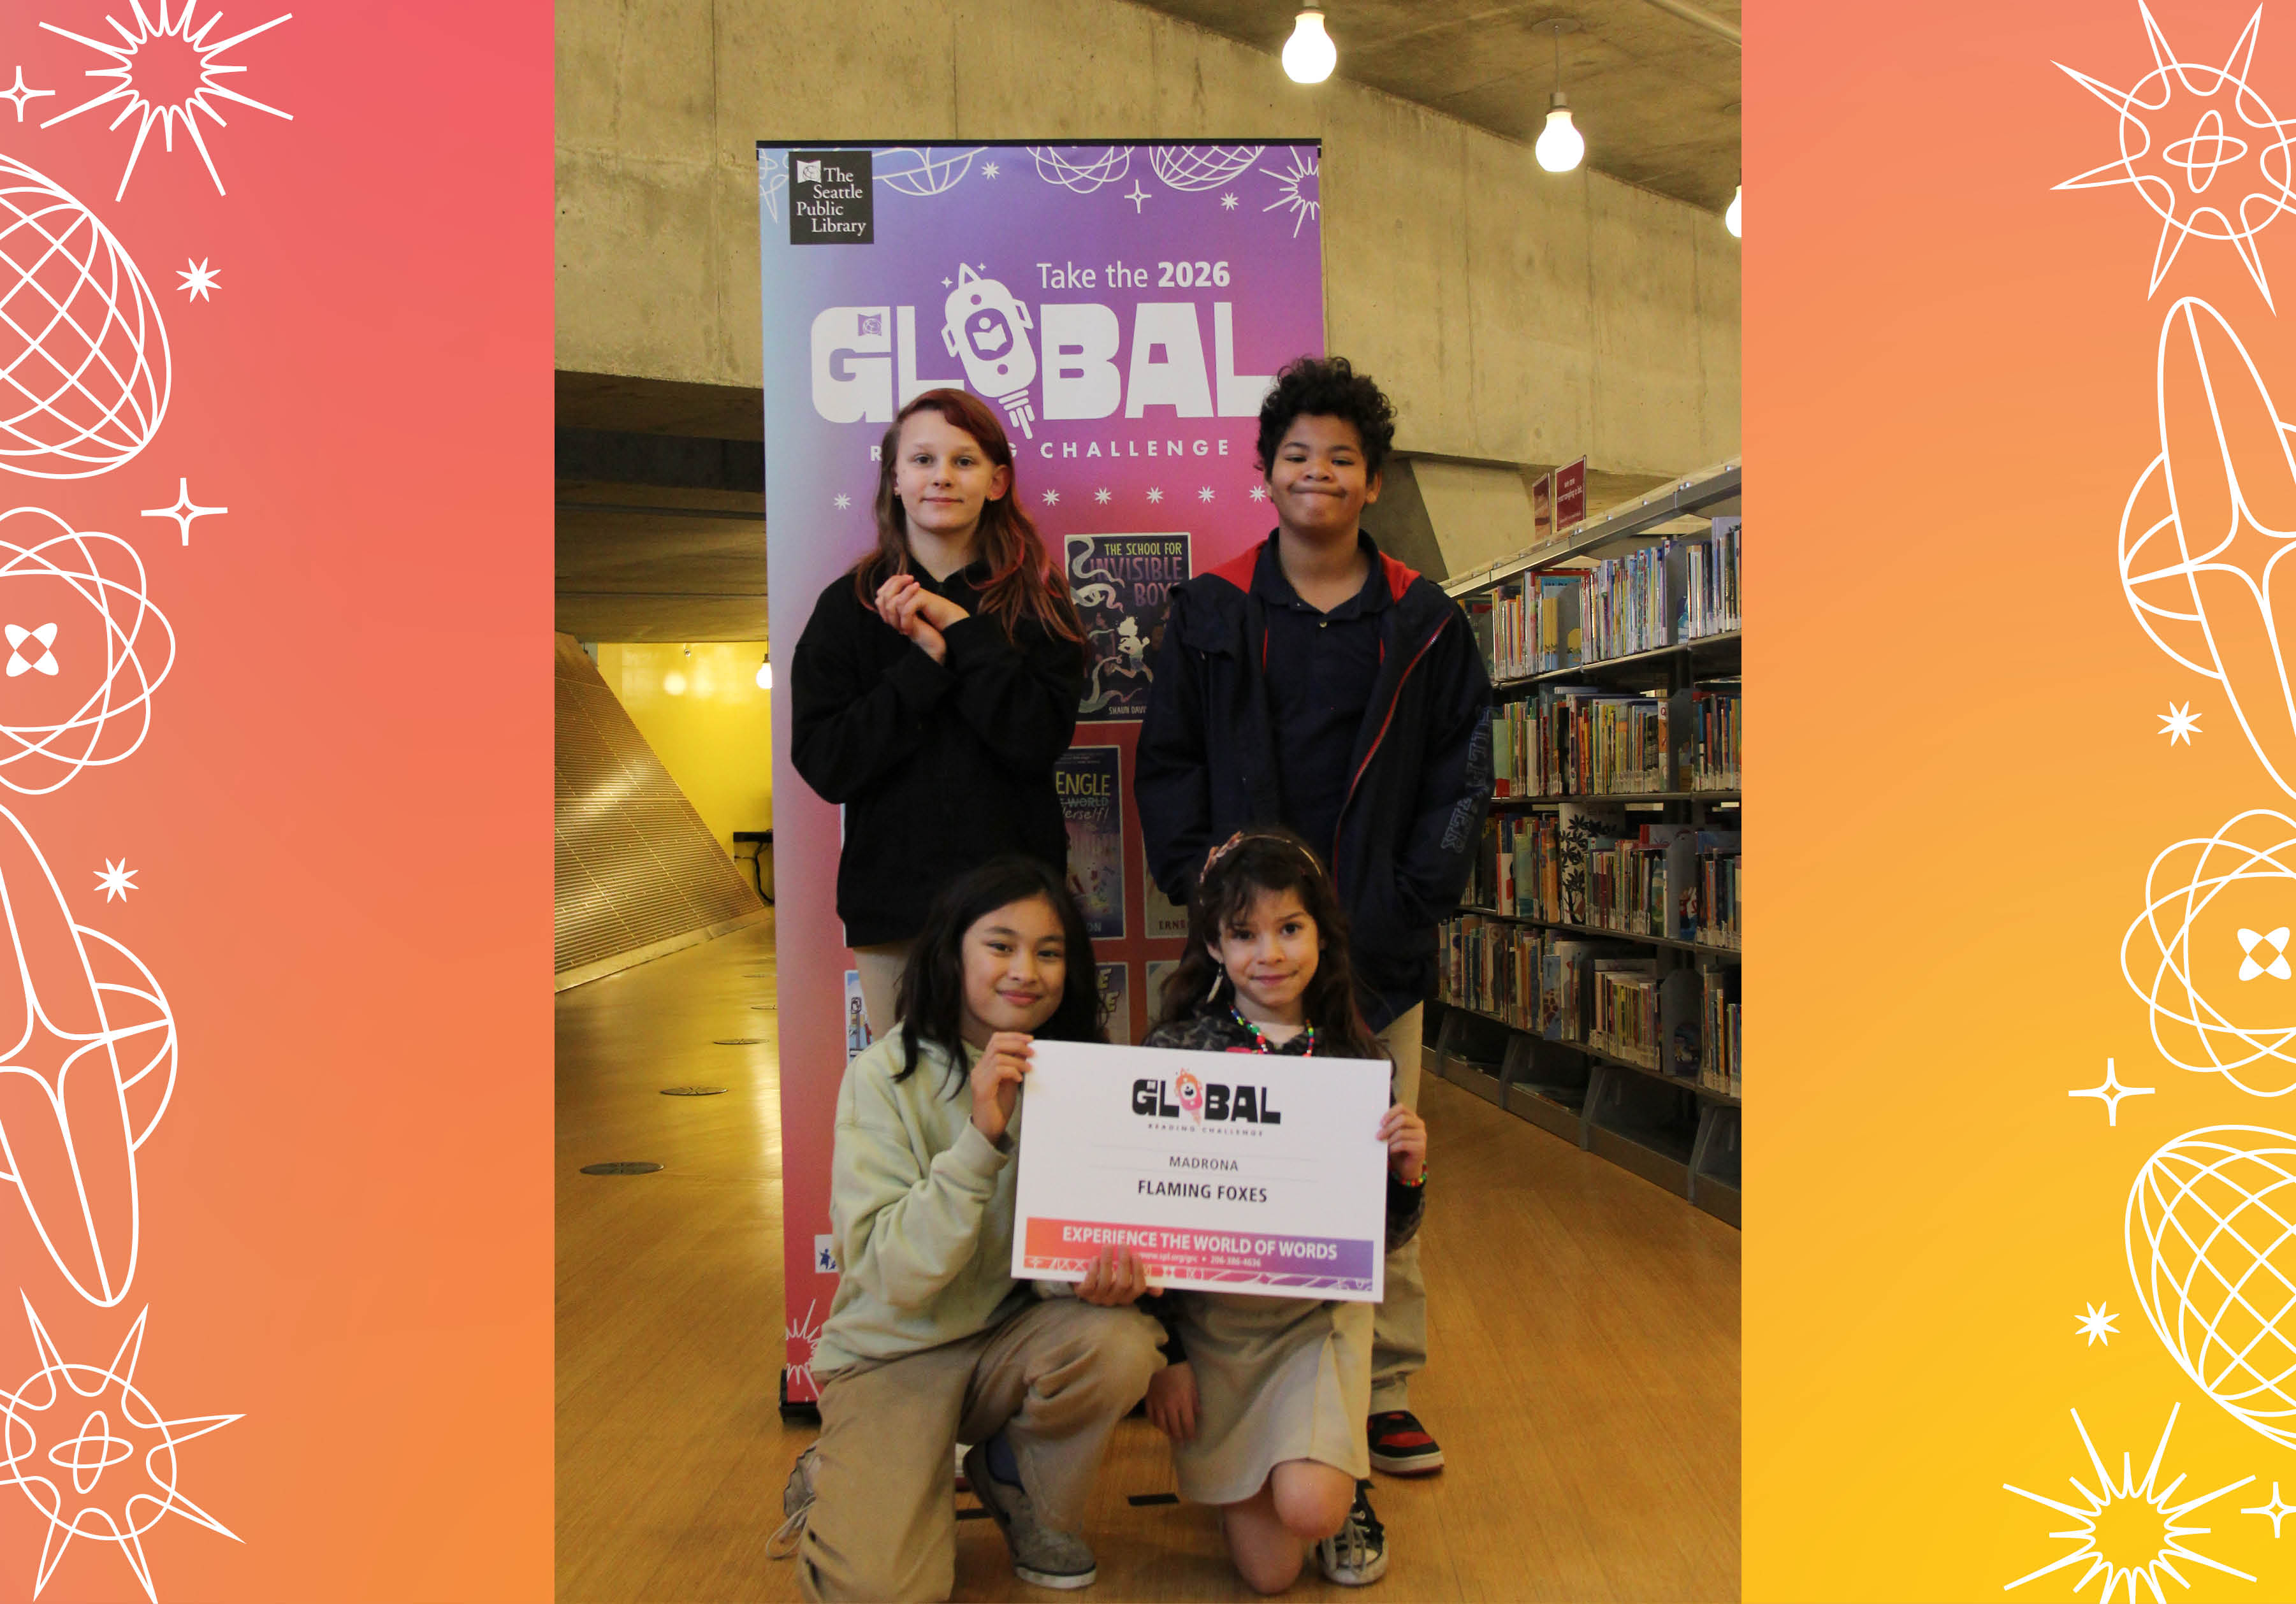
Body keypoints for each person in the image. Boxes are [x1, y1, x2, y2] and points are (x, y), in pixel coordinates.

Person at [1135, 356, 1490, 1476]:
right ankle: (1226, 1374)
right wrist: (1207, 897)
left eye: (1341, 457)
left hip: (1373, 953)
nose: (1317, 473)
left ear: (1371, 479)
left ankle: (1378, 1385)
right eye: (1297, 455)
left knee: (1381, 1163)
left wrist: (1407, 904)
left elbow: (1460, 775)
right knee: (1223, 1167)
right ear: (1266, 472)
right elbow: (1171, 763)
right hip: (1242, 953)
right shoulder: (1212, 612)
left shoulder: (1426, 622)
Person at [780, 856, 1163, 1601]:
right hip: (894, 1355)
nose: (1026, 970)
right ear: (952, 951)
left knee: (1119, 1345)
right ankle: (840, 1471)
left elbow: (1052, 1251)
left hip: (1006, 1344)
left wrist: (1101, 1277)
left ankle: (1013, 1478)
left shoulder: (1083, 1075)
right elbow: (889, 1273)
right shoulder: (885, 1076)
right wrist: (978, 1141)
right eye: (1000, 945)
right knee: (882, 1592)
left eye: (1049, 953)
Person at [1138, 830, 1428, 1592]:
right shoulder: (1175, 1052)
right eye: (1243, 933)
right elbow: (1148, 1225)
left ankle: (1337, 1473)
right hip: (1215, 1330)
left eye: (1289, 928)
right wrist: (1165, 1359)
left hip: (1316, 1321)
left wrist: (1406, 1175)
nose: (1268, 953)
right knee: (1267, 1577)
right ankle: (1272, 1464)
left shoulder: (1357, 1063)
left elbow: (1386, 1239)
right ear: (1213, 943)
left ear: (1321, 937)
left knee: (1310, 1510)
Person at [791, 388, 1087, 1037]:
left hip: (1018, 916)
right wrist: (922, 667)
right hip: (896, 914)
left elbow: (1036, 736)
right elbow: (827, 763)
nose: (942, 478)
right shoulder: (848, 609)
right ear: (894, 478)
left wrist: (963, 632)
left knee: (1021, 1117)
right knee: (909, 1116)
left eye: (964, 461)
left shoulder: (1038, 603)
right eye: (922, 460)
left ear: (996, 480)